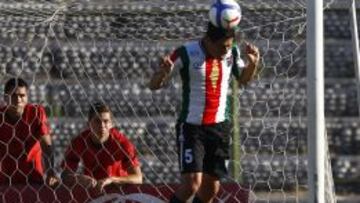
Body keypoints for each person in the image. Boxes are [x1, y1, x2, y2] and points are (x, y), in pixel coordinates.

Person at [148, 6, 260, 203]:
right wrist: (161, 74)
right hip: (192, 128)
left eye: (229, 45)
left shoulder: (232, 52)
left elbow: (243, 80)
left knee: (210, 190)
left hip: (219, 127)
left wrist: (253, 64)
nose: (226, 50)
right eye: (223, 46)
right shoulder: (186, 53)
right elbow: (153, 85)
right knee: (191, 183)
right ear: (210, 41)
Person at [61, 102, 142, 192]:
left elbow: (138, 178)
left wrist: (112, 180)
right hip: (92, 192)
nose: (102, 126)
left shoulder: (122, 143)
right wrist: (77, 179)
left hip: (118, 191)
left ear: (111, 124)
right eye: (97, 121)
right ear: (89, 124)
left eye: (106, 121)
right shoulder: (79, 142)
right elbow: (65, 175)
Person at [0, 77, 59, 187]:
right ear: (5, 97)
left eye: (22, 96)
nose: (18, 99)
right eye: (13, 95)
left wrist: (51, 172)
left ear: (27, 97)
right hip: (5, 182)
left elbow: (47, 145)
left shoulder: (36, 113)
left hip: (33, 180)